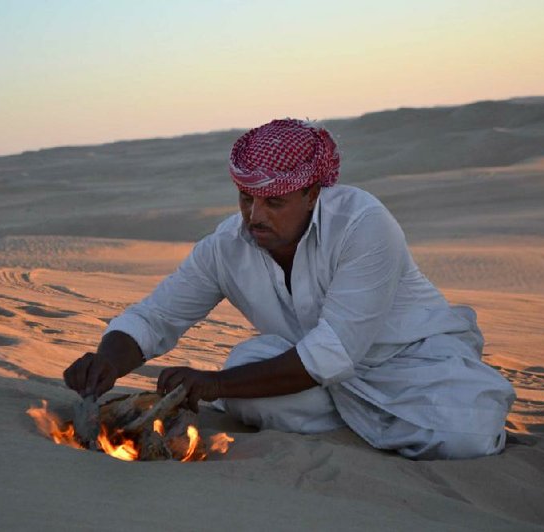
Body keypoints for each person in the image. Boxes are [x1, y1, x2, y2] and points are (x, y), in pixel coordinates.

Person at [64, 118, 516, 460]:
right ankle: (356, 420)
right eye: (246, 198)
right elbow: (156, 317)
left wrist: (217, 383)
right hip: (307, 370)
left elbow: (335, 351)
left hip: (410, 363)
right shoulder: (226, 246)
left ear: (314, 193)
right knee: (246, 374)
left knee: (466, 436)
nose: (255, 215)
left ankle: (368, 416)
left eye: (273, 202)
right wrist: (107, 360)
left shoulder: (364, 225)